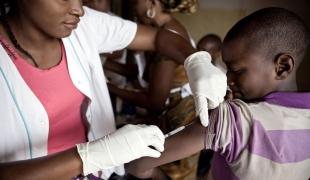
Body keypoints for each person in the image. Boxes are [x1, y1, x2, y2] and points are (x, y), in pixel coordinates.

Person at [0, 0, 227, 179]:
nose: (78, 9)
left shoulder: (85, 25)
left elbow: (159, 38)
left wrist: (195, 60)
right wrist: (90, 157)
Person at [126, 7, 310, 180]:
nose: (228, 79)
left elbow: (137, 164)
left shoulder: (232, 120)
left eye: (236, 70)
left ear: (282, 67)